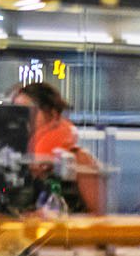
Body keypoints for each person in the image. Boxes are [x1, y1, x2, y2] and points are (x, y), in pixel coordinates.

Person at [11, 82, 101, 213]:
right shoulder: (11, 158)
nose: (22, 118)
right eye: (16, 112)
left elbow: (98, 216)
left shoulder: (79, 159)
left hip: (66, 231)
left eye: (28, 111)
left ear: (53, 114)